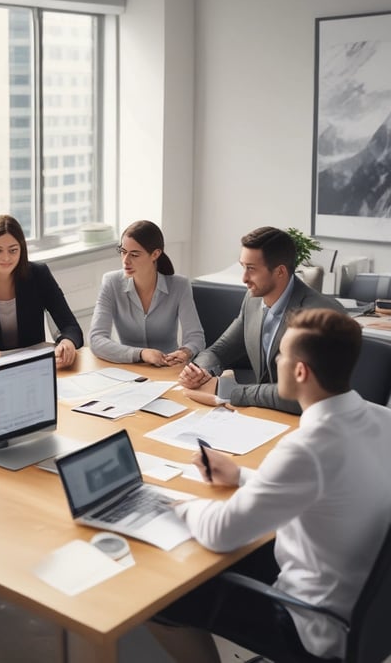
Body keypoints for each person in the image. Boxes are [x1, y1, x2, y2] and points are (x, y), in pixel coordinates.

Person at [149, 308, 391, 662]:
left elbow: (220, 532)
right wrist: (241, 476)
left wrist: (177, 505)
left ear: (300, 371)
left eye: (282, 354)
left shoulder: (307, 448)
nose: (276, 359)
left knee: (166, 592)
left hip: (312, 624)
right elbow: (325, 491)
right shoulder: (382, 419)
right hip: (365, 605)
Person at [178, 226, 344, 413]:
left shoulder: (320, 314)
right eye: (243, 266)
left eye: (251, 269)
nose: (244, 278)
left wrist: (226, 389)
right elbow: (219, 350)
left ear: (280, 271)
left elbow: (304, 392)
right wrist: (199, 372)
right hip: (262, 414)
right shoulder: (253, 300)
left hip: (306, 420)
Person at [0, 214, 83, 368]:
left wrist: (67, 342)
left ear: (22, 249)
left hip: (34, 365)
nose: (6, 258)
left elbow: (71, 327)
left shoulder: (39, 274)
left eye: (13, 250)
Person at [88, 220, 205, 366]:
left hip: (168, 368)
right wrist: (141, 354)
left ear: (155, 254)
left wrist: (185, 351)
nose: (125, 261)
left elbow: (196, 337)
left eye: (134, 255)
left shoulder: (179, 286)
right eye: (123, 252)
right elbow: (96, 339)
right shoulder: (111, 282)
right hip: (128, 368)